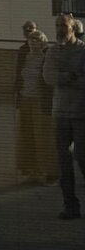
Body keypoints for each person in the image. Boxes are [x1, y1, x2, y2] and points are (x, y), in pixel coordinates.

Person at [43, 14, 85, 218]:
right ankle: (71, 206)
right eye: (57, 25)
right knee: (63, 162)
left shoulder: (83, 50)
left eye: (64, 25)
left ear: (73, 28)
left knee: (82, 157)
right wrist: (70, 76)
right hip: (60, 112)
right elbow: (48, 77)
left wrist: (69, 79)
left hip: (80, 112)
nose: (60, 28)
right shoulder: (52, 51)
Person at [14, 22, 56, 183]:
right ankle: (31, 169)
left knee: (43, 136)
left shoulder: (47, 57)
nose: (33, 42)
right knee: (26, 134)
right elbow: (18, 76)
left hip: (40, 101)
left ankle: (46, 171)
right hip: (25, 99)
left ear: (43, 42)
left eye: (37, 39)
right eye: (31, 40)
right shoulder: (24, 55)